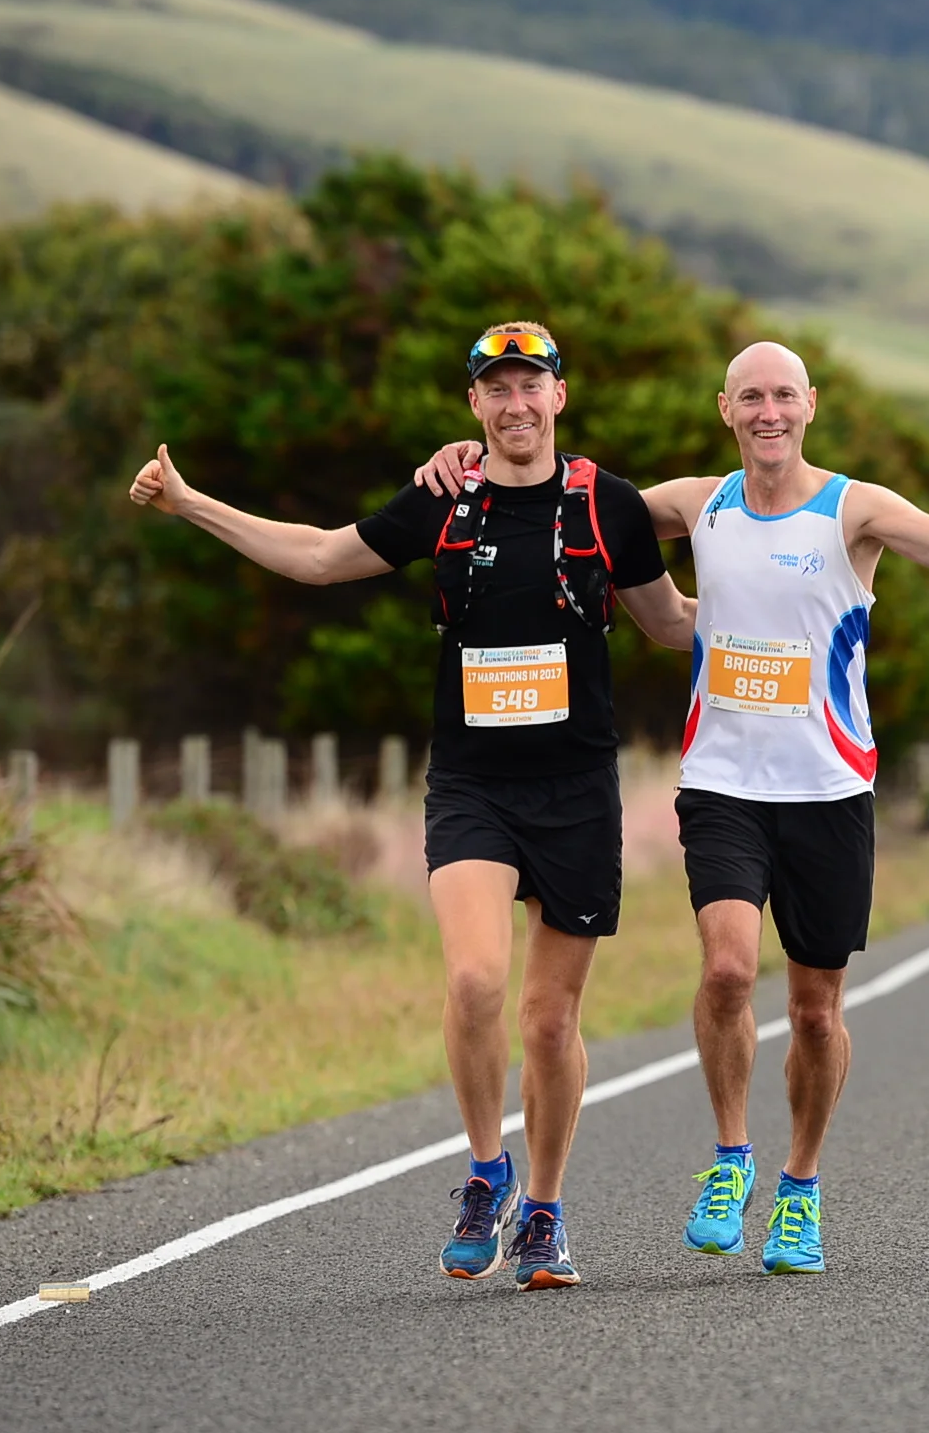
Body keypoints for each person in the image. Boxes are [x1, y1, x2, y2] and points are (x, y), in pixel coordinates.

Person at [417, 341, 929, 1275]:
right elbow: (553, 492)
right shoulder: (692, 504)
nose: (768, 412)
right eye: (751, 397)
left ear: (810, 406)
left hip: (829, 790)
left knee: (818, 1013)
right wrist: (456, 464)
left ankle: (800, 1185)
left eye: (784, 395)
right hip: (723, 786)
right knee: (729, 973)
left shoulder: (853, 508)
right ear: (726, 410)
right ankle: (732, 1156)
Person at [129, 321, 696, 1292]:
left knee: (549, 1021)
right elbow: (316, 557)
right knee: (476, 982)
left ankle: (546, 1214)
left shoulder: (606, 506)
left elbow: (670, 624)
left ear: (560, 396)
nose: (515, 403)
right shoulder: (442, 499)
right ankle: (487, 1169)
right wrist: (188, 504)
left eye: (531, 385)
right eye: (496, 389)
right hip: (472, 784)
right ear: (473, 405)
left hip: (576, 792)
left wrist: (803, 606)